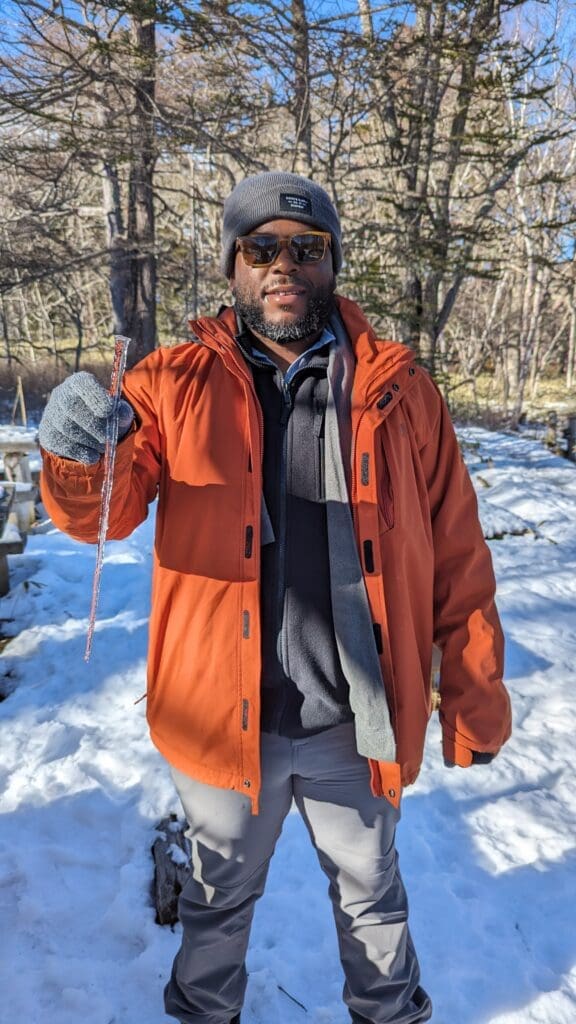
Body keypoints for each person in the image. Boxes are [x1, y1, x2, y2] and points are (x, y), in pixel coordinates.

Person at [39, 171, 512, 1024]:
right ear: (233, 267)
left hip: (352, 719)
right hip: (221, 714)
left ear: (332, 263)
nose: (284, 264)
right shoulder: (171, 382)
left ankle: (391, 1016)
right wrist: (77, 456)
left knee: (374, 903)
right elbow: (102, 514)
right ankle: (202, 1012)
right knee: (218, 904)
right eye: (262, 247)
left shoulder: (400, 393)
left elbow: (458, 556)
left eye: (306, 247)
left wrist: (474, 698)